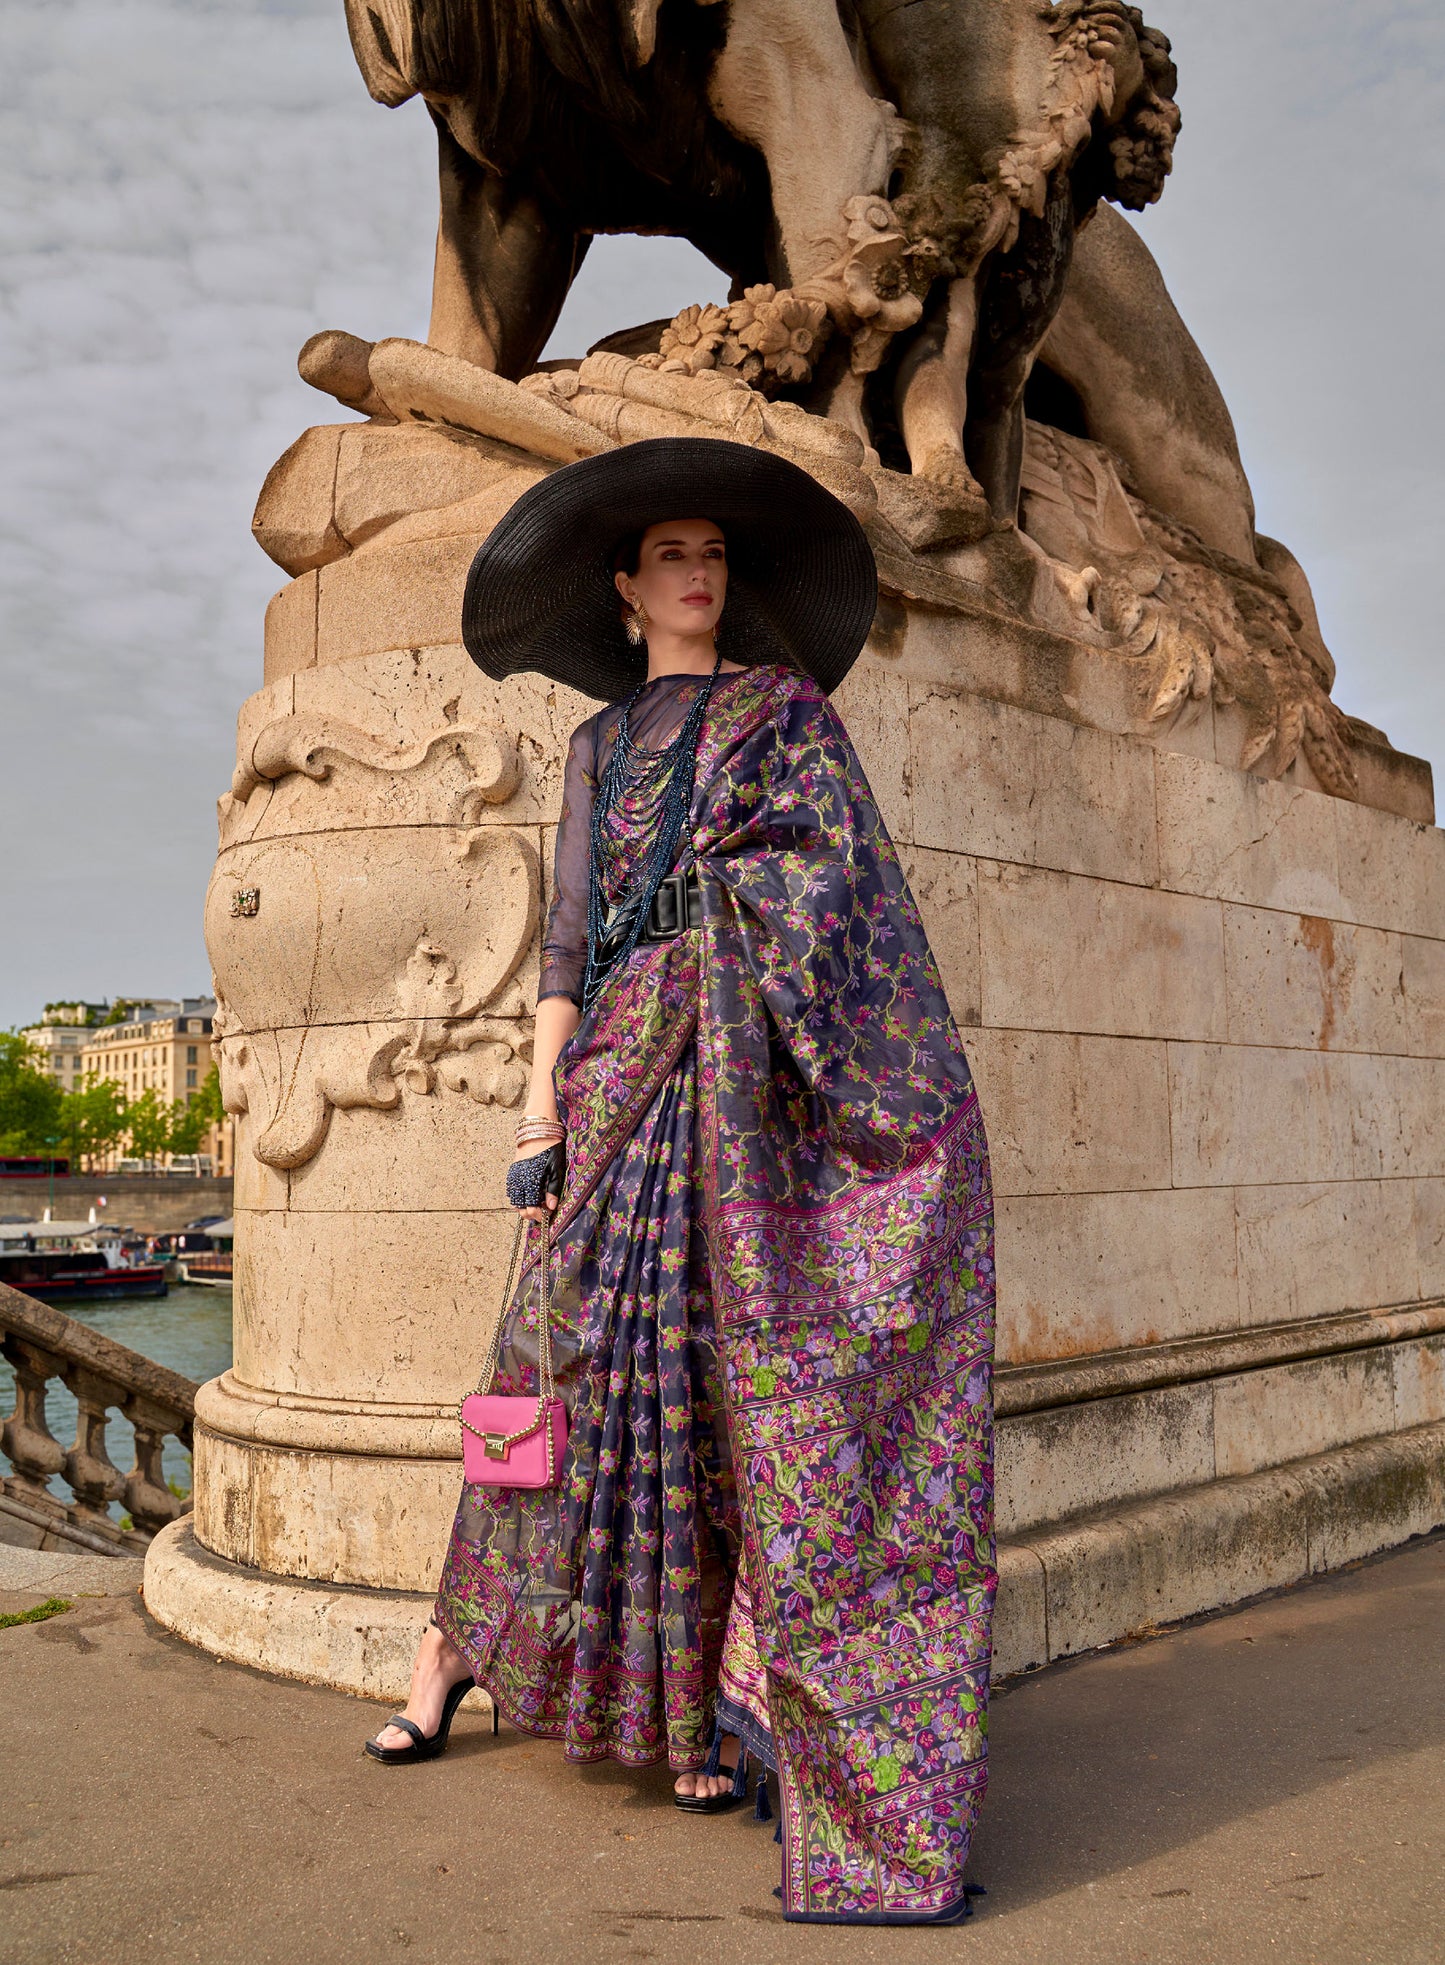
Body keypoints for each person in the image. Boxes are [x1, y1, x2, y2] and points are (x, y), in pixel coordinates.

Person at [363, 437, 996, 1925]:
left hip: (747, 1093)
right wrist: (537, 1106)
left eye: (714, 553)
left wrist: (732, 903)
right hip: (619, 1078)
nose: (698, 573)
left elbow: (844, 888)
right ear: (624, 587)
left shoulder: (783, 717)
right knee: (556, 1362)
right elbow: (570, 940)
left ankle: (708, 1704)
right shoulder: (596, 749)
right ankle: (448, 1650)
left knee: (723, 1390)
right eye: (670, 555)